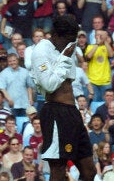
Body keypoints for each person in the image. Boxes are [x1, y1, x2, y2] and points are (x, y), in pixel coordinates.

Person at [30, 14, 97, 180]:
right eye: (68, 39)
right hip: (55, 112)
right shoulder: (41, 51)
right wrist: (65, 58)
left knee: (89, 170)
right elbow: (48, 85)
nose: (71, 43)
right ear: (57, 35)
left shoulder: (67, 47)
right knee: (58, 169)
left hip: (72, 112)